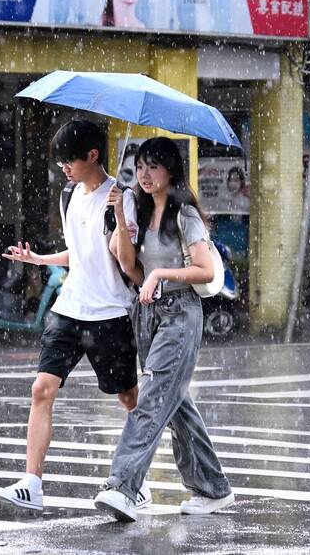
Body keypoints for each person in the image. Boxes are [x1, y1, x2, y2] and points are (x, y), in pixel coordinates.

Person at [0, 120, 150, 511]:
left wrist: (121, 222)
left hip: (109, 314)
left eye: (69, 160)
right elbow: (79, 254)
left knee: (130, 399)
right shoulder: (68, 194)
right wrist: (39, 259)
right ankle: (31, 483)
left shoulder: (123, 199)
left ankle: (137, 483)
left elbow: (129, 268)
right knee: (42, 389)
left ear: (93, 155)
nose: (63, 168)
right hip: (69, 309)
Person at [94, 136, 233, 522]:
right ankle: (212, 489)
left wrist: (161, 272)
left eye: (153, 166)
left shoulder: (184, 215)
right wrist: (119, 217)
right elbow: (130, 268)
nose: (144, 174)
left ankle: (123, 485)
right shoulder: (138, 209)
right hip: (148, 314)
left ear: (171, 169)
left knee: (152, 398)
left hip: (180, 313)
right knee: (175, 405)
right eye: (140, 166)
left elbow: (204, 271)